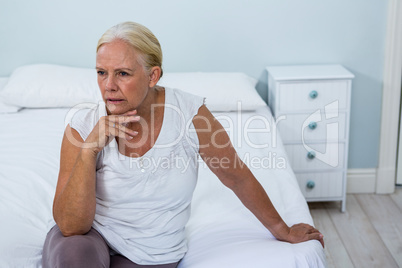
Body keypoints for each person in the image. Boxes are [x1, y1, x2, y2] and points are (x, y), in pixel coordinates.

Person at [42, 21, 324, 268]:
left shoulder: (190, 114)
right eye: (101, 72)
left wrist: (282, 229)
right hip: (91, 238)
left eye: (123, 73)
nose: (108, 86)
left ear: (153, 76)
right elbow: (71, 226)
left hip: (153, 252)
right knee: (75, 256)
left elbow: (236, 176)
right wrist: (89, 150)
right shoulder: (83, 123)